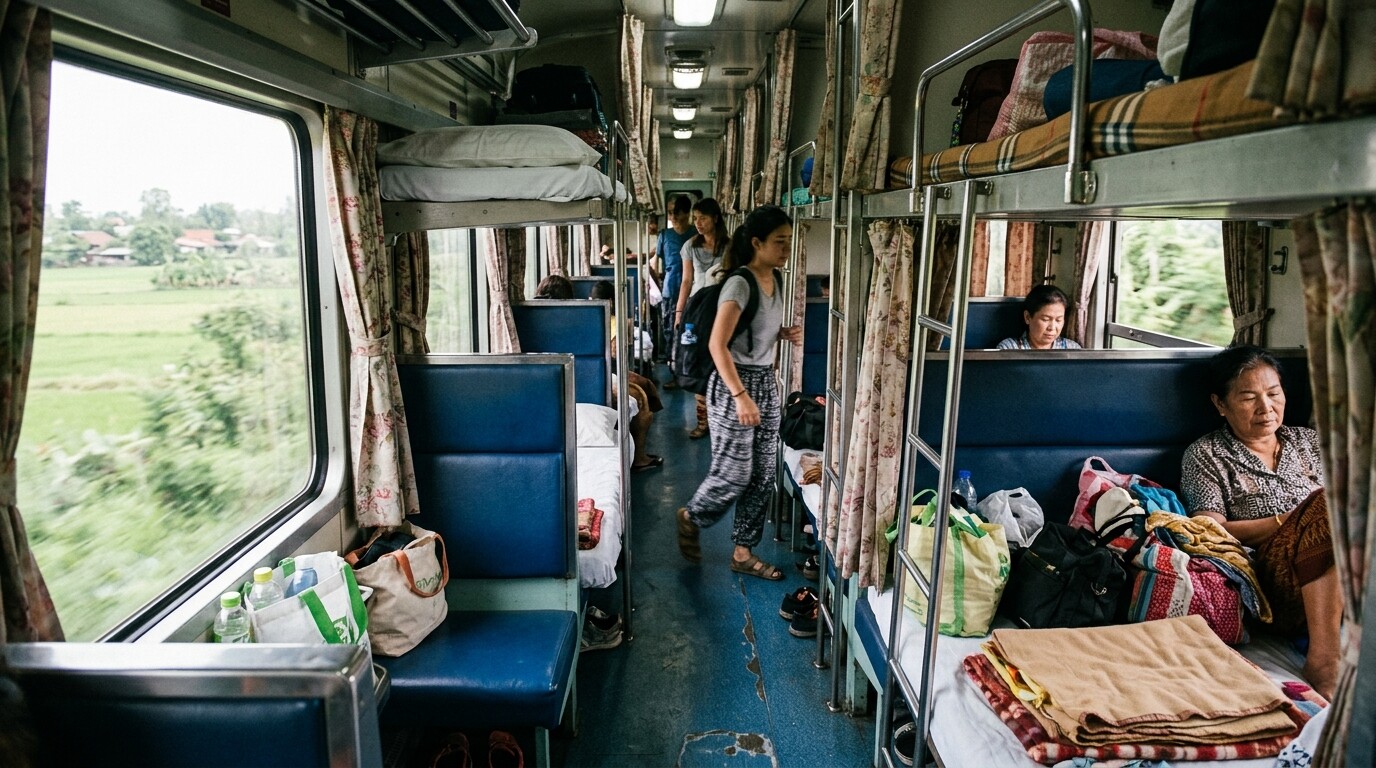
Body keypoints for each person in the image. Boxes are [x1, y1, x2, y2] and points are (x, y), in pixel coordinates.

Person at [1180, 345, 1340, 698]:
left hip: (1343, 564)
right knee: (1332, 504)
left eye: (1273, 393)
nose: (1266, 408)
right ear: (1220, 404)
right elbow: (1208, 531)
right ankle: (1325, 661)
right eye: (1249, 397)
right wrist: (1287, 521)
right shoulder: (1206, 454)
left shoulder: (1308, 441)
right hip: (1268, 576)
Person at [677, 205, 802, 580]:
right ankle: (691, 516)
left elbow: (755, 328)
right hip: (733, 383)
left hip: (764, 381)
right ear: (756, 243)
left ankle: (743, 552)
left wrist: (778, 334)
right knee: (735, 473)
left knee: (763, 474)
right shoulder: (739, 283)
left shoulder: (776, 281)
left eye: (788, 242)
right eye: (779, 242)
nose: (786, 249)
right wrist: (740, 396)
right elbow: (718, 345)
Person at [589, 280, 664, 472]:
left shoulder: (580, 321)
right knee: (642, 395)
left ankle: (643, 430)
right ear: (611, 301)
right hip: (608, 372)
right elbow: (615, 356)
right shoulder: (617, 323)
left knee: (644, 383)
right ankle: (639, 457)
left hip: (601, 371)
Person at [676, 197, 729, 438]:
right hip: (697, 310)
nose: (697, 223)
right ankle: (702, 421)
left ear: (715, 218)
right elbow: (687, 281)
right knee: (699, 365)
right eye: (695, 218)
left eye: (703, 218)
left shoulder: (730, 247)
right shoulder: (689, 246)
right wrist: (679, 312)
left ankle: (722, 420)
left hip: (723, 309)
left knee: (722, 364)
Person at [659, 196, 694, 387]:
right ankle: (674, 373)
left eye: (677, 212)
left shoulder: (696, 235)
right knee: (670, 333)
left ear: (687, 213)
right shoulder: (664, 235)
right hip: (670, 291)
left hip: (692, 293)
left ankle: (688, 372)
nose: (673, 216)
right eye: (670, 212)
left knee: (689, 334)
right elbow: (657, 263)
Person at [996, 284, 1083, 350]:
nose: (1052, 328)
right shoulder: (1009, 349)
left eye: (1058, 320)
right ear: (1027, 317)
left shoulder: (1072, 348)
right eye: (1045, 319)